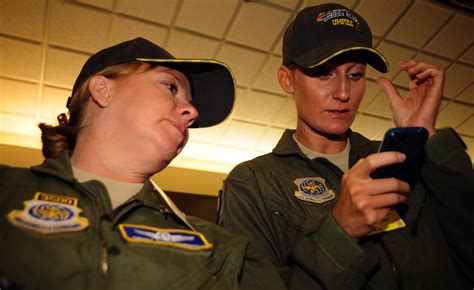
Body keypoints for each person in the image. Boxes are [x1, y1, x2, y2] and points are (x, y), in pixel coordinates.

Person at [217, 3, 474, 290]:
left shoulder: (401, 160)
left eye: (355, 75)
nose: (343, 93)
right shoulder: (254, 183)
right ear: (287, 80)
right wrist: (339, 233)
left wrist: (427, 136)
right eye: (324, 73)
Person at [0, 37, 286, 290]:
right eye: (171, 87)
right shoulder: (7, 191)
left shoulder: (226, 252)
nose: (192, 112)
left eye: (190, 104)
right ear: (102, 90)